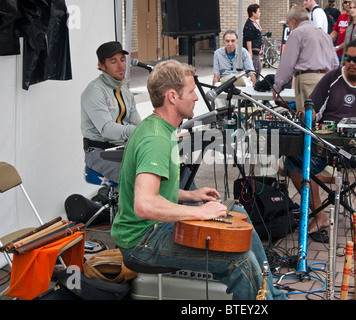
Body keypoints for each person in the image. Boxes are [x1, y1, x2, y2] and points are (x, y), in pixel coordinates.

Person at [110, 60, 286, 300]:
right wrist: (199, 212)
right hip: (142, 242)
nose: (196, 98)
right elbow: (144, 204)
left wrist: (191, 196)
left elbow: (153, 190)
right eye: (191, 91)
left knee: (235, 212)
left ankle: (271, 296)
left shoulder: (160, 128)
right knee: (239, 262)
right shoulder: (156, 140)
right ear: (172, 96)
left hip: (153, 229)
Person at [283, 38, 356, 242]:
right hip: (330, 147)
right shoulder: (332, 78)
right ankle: (319, 215)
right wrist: (304, 115)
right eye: (347, 58)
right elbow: (311, 107)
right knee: (295, 163)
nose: (351, 63)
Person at [81, 41, 141, 183]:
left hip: (122, 149)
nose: (120, 65)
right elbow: (107, 129)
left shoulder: (124, 90)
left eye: (122, 60)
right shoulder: (94, 91)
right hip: (98, 153)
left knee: (169, 167)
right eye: (113, 61)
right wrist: (139, 130)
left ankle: (191, 204)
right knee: (143, 179)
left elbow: (137, 123)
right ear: (101, 66)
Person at [272, 6, 339, 112]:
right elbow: (335, 63)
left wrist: (278, 86)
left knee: (307, 118)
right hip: (325, 78)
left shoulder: (297, 33)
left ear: (293, 21)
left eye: (288, 24)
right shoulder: (324, 34)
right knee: (320, 117)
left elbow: (287, 64)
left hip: (306, 79)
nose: (289, 28)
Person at [243, 4, 263, 80]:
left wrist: (261, 49)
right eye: (258, 11)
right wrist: (250, 52)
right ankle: (253, 85)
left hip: (257, 50)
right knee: (254, 70)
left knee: (258, 69)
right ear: (253, 13)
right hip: (253, 51)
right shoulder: (249, 24)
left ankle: (256, 83)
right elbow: (248, 39)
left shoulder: (255, 23)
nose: (260, 13)